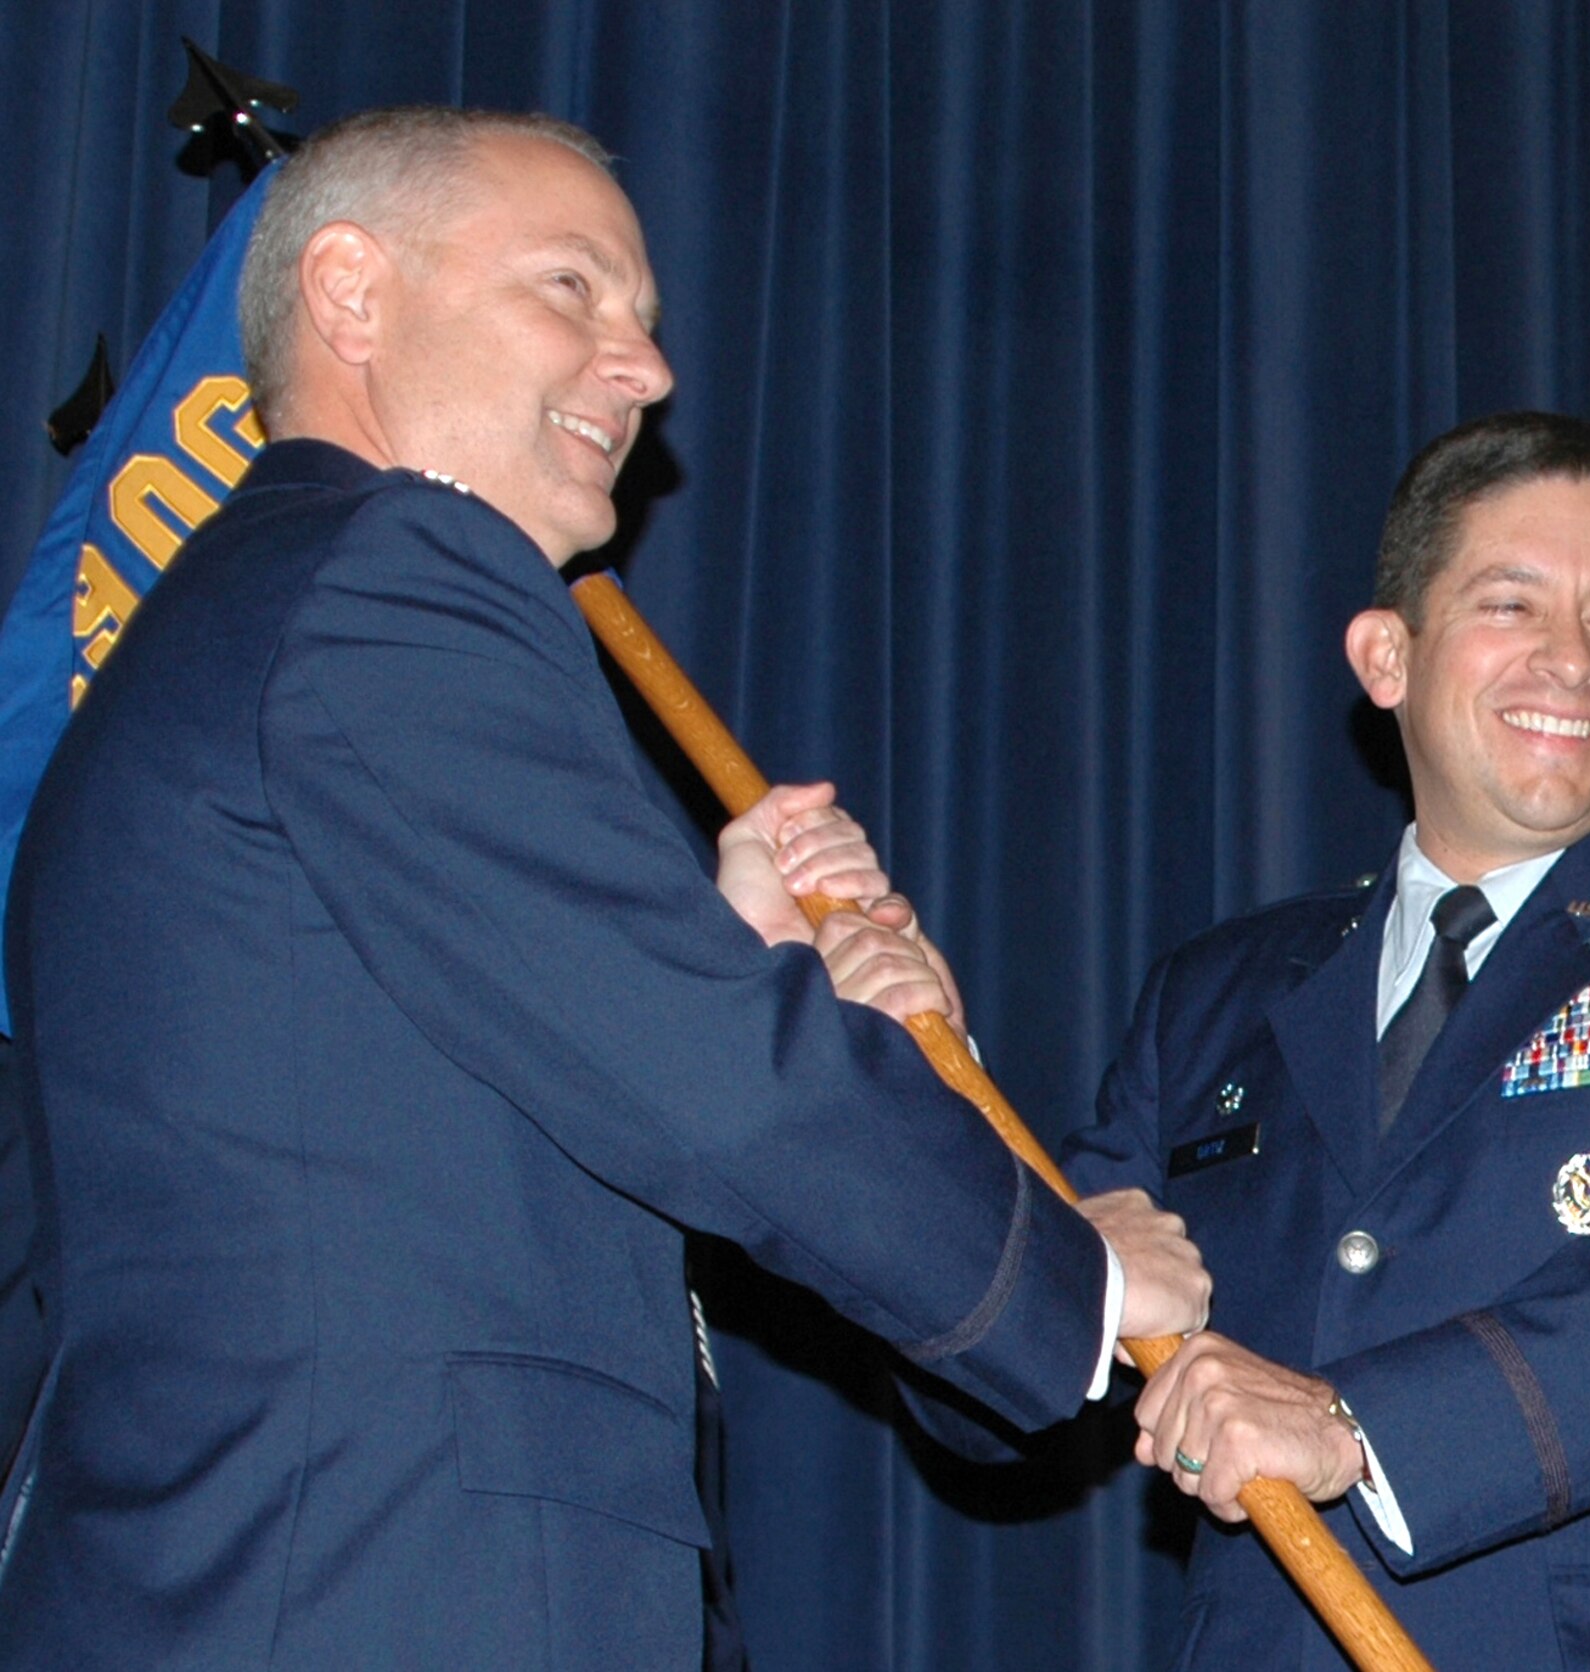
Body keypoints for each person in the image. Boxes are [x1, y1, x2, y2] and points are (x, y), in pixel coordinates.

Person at [0, 107, 1208, 1670]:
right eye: (571, 290)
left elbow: (428, 1097)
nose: (647, 371)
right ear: (351, 294)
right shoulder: (389, 572)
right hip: (369, 1593)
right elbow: (719, 1088)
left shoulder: (262, 612)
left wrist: (725, 947)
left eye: (645, 321)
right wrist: (1083, 1281)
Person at [1054, 412, 1590, 1669]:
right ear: (1385, 657)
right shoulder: (1216, 993)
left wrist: (1355, 1424)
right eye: (1512, 605)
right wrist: (905, 1064)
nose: (1573, 659)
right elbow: (1009, 1332)